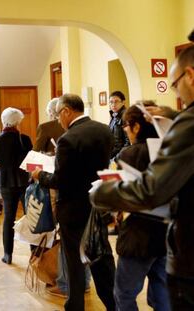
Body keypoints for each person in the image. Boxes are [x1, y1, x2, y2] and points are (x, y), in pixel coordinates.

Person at [90, 44, 194, 310]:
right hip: (164, 238)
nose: (175, 91)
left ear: (190, 75)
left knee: (125, 293)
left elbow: (150, 190)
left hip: (171, 243)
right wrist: (173, 115)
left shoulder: (185, 127)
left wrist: (101, 193)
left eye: (174, 84)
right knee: (159, 292)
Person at [32, 94, 115, 311]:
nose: (58, 119)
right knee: (100, 255)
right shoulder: (103, 130)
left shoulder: (68, 139)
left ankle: (75, 304)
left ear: (67, 111)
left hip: (73, 208)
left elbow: (60, 180)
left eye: (58, 114)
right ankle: (113, 303)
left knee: (74, 260)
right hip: (97, 204)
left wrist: (39, 175)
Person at [113, 104, 170, 310]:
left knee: (124, 293)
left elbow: (122, 196)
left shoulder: (130, 154)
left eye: (126, 125)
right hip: (167, 232)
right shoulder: (170, 151)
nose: (125, 130)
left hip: (138, 235)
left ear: (136, 127)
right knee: (162, 292)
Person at [34, 98, 91, 298]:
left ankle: (66, 283)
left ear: (63, 112)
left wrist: (39, 175)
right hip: (90, 194)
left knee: (67, 241)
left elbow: (37, 156)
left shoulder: (53, 130)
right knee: (86, 241)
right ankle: (84, 281)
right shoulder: (96, 129)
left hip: (62, 190)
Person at [0, 107, 32, 264]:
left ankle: (7, 254)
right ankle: (34, 252)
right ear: (18, 122)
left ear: (4, 120)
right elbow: (30, 161)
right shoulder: (25, 139)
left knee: (9, 218)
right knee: (31, 217)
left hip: (6, 182)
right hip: (24, 181)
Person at [109, 90, 130, 158]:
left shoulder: (126, 116)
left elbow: (128, 142)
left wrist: (117, 158)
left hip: (119, 157)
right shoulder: (114, 116)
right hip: (113, 154)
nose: (113, 105)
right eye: (111, 102)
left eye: (116, 101)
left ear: (123, 102)